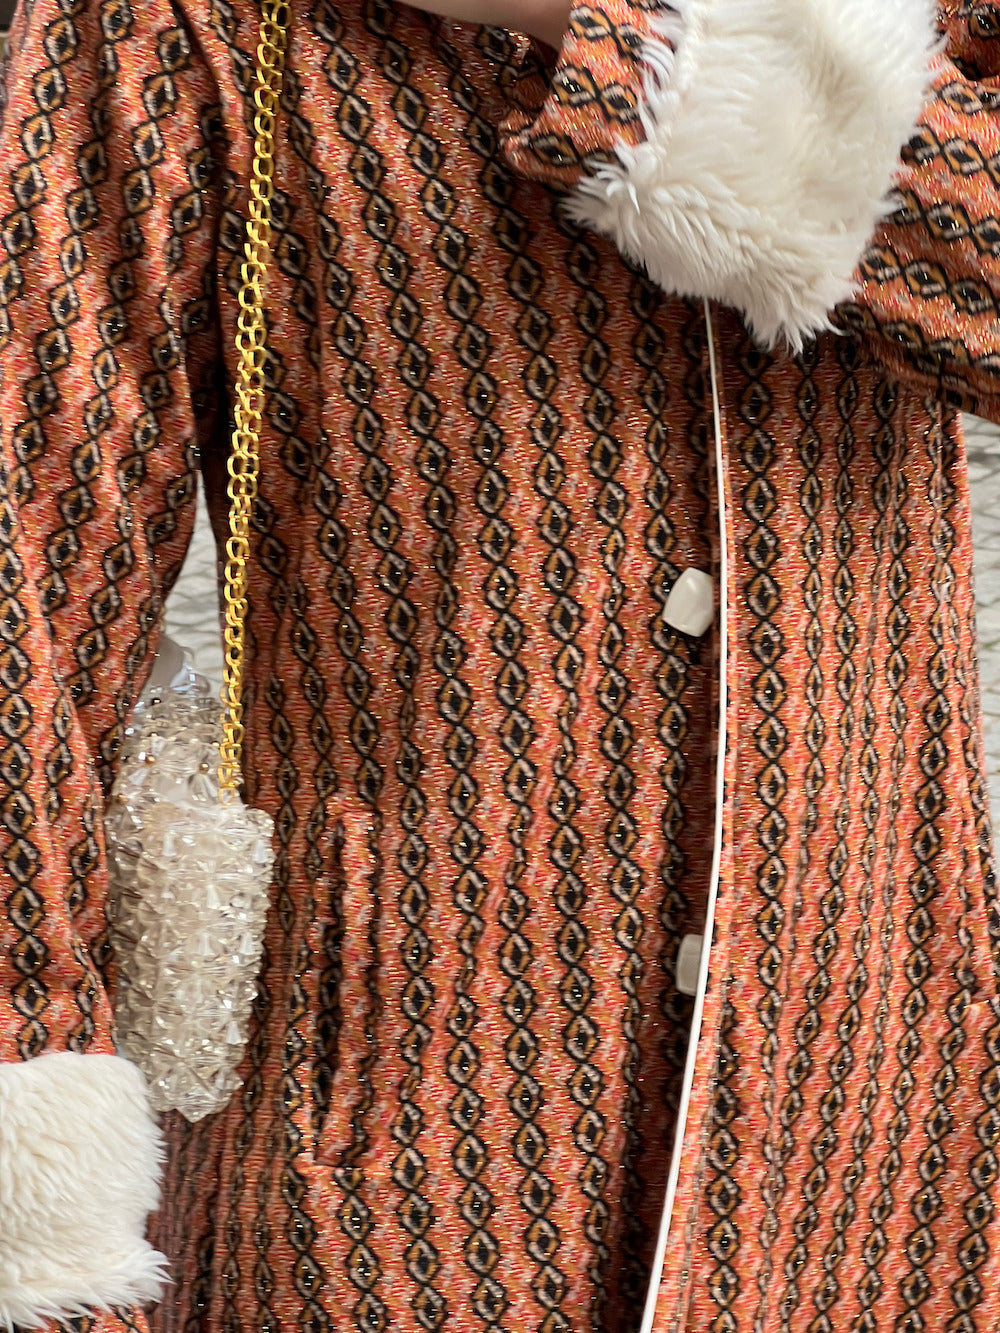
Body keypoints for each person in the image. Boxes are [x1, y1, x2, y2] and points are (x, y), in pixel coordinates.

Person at [0, 0, 998, 1329]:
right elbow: (31, 604)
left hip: (866, 1135)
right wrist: (56, 1258)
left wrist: (624, 30)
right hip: (398, 1183)